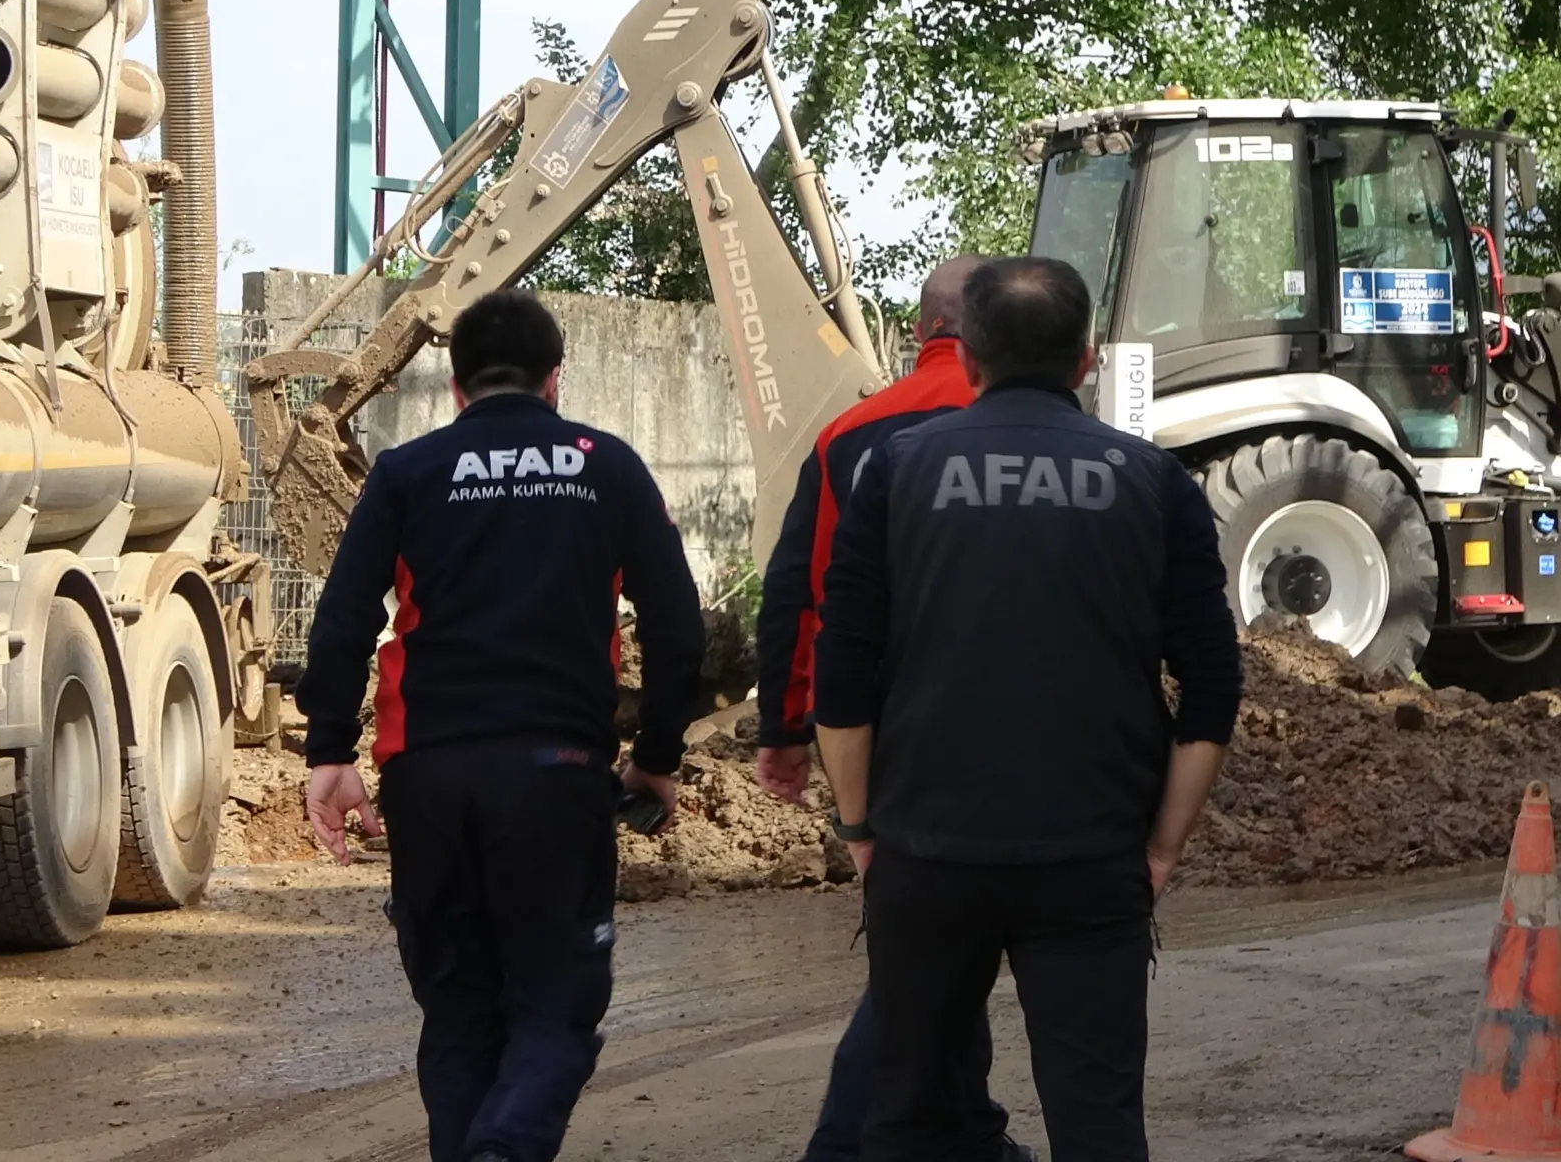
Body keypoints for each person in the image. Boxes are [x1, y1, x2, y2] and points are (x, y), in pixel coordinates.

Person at [811, 256, 1243, 1162]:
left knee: (907, 1117)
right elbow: (1211, 688)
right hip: (1091, 857)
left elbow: (840, 676)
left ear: (966, 356)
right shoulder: (1155, 484)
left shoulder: (894, 471)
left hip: (926, 853)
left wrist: (860, 829)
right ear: (1086, 360)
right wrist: (1161, 846)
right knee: (1097, 1120)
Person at [299, 289, 706, 1162]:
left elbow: (339, 620)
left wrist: (329, 749)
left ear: (454, 386)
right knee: (557, 1003)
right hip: (556, 776)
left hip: (428, 776)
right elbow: (678, 628)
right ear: (556, 381)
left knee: (458, 1009)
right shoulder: (609, 467)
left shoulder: (407, 473)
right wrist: (657, 758)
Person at [751, 256, 1029, 1162]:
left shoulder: (847, 437)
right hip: (1012, 727)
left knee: (935, 943)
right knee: (932, 962)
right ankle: (851, 1145)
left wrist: (789, 731)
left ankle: (969, 1133)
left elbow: (794, 591)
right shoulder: (1038, 433)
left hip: (880, 732)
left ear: (921, 331)